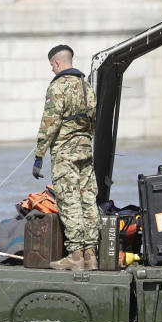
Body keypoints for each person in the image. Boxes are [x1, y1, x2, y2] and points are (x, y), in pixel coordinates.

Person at [32, 44, 100, 271]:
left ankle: (75, 256)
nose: (52, 70)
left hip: (65, 154)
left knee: (69, 201)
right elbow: (93, 119)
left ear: (56, 63)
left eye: (52, 66)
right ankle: (91, 255)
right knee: (88, 200)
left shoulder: (57, 87)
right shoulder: (86, 86)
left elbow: (49, 123)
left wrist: (39, 155)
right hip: (85, 150)